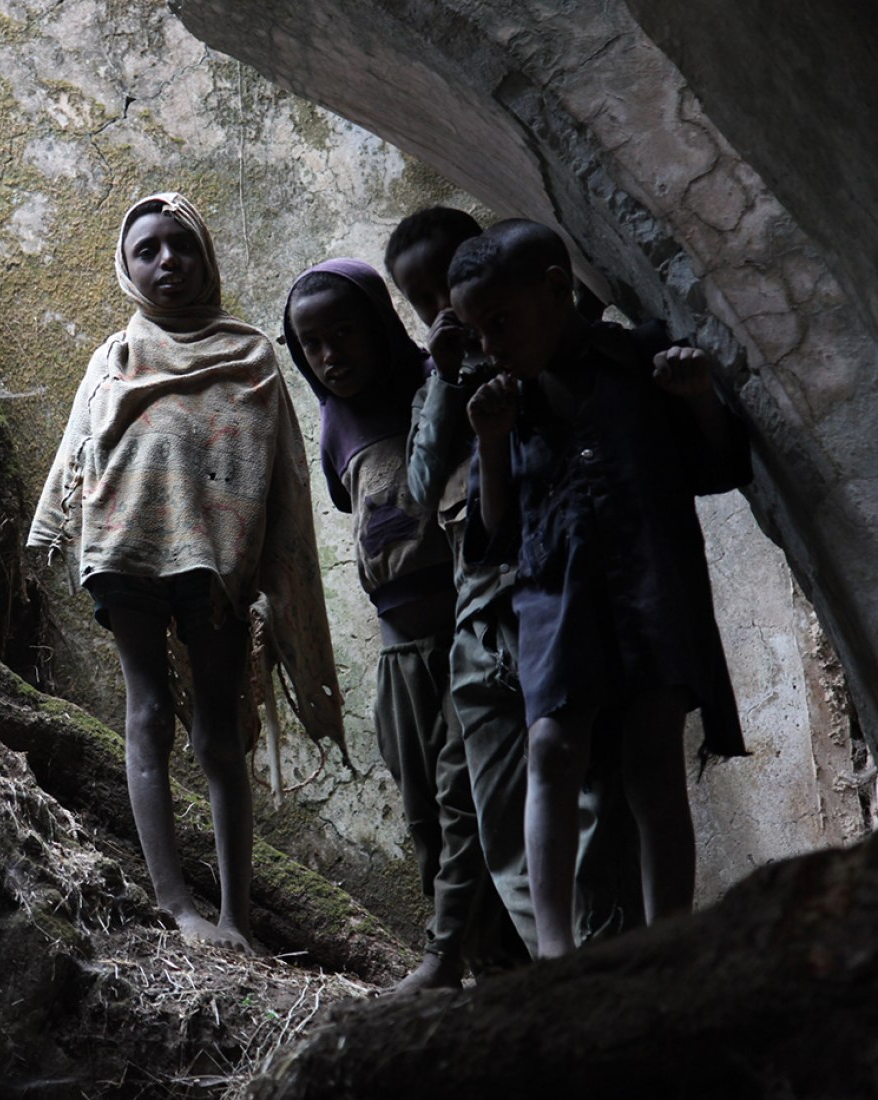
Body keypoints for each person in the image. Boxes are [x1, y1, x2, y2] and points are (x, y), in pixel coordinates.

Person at [28, 193, 343, 954]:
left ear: (205, 258)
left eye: (181, 246)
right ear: (126, 266)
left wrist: (266, 573)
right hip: (124, 549)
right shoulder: (115, 356)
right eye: (148, 249)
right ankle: (174, 906)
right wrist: (53, 532)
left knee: (215, 733)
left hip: (218, 562)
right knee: (147, 713)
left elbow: (279, 476)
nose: (166, 261)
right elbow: (78, 455)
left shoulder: (250, 354)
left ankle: (234, 920)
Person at [454, 218, 750, 957]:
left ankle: (667, 944)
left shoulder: (641, 362)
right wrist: (489, 444)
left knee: (653, 754)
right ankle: (554, 955)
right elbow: (493, 532)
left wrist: (696, 397)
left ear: (556, 292)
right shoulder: (500, 402)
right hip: (554, 593)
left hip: (649, 583)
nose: (488, 343)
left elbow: (716, 467)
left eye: (499, 322)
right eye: (473, 329)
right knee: (552, 746)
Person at [390, 207, 643, 957]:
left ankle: (614, 966)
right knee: (504, 822)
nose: (445, 311)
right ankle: (560, 977)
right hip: (477, 619)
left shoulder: (542, 355)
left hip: (556, 601)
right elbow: (418, 484)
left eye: (450, 286)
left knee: (595, 802)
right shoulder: (434, 386)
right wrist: (442, 380)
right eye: (422, 301)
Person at [283, 257, 504, 992]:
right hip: (397, 651)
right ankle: (481, 971)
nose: (329, 355)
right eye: (310, 343)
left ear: (380, 325)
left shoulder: (431, 385)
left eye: (343, 333)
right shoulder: (332, 425)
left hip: (465, 633)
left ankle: (456, 958)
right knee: (423, 817)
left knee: (466, 800)